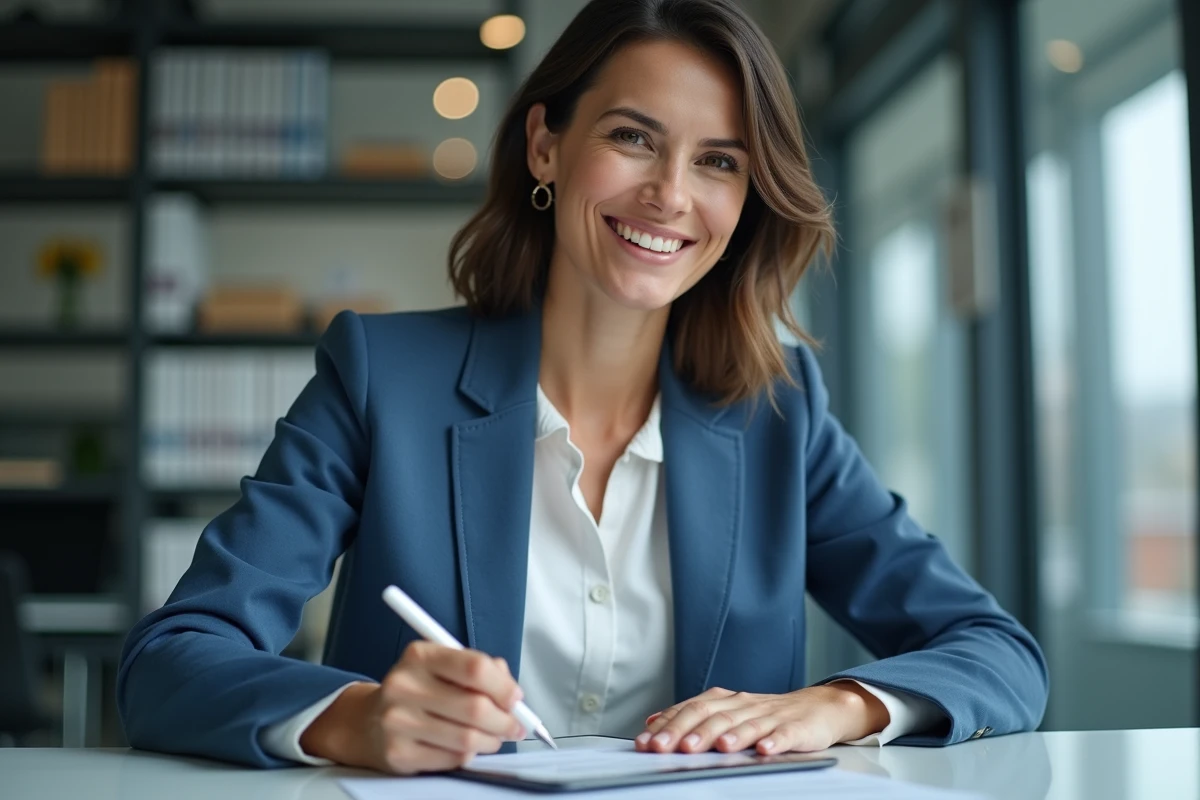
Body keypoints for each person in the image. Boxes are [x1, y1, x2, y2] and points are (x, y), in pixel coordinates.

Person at [117, 0, 1048, 774]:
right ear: (545, 146)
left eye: (719, 160)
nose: (671, 195)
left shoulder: (779, 410)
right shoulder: (380, 378)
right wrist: (350, 717)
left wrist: (840, 706)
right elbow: (169, 662)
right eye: (633, 138)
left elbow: (997, 654)